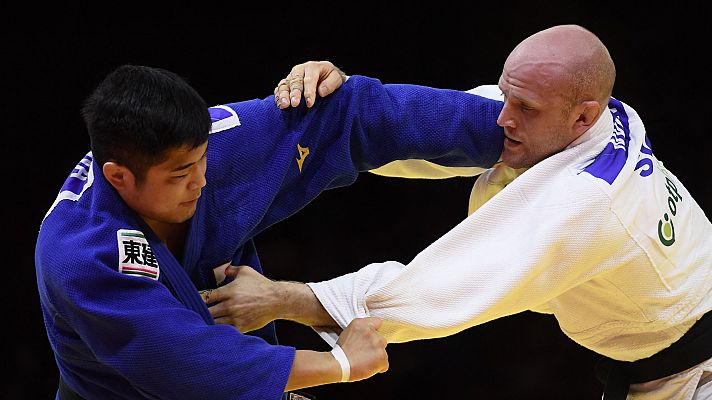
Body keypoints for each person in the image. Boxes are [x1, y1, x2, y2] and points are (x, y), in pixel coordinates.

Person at [205, 25, 712, 399]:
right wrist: (337, 112)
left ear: (584, 115)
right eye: (507, 93)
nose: (503, 118)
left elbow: (433, 290)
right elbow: (433, 131)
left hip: (692, 376)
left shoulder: (587, 202)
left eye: (525, 110)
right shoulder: (596, 114)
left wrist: (281, 298)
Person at [35, 61, 507, 399]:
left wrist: (508, 132)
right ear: (119, 176)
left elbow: (349, 114)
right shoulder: (80, 254)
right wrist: (338, 365)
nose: (200, 181)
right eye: (180, 175)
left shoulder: (217, 147)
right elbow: (186, 366)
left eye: (201, 161)